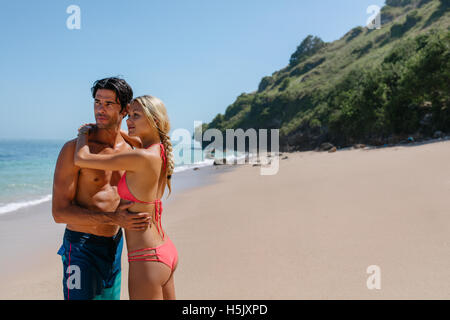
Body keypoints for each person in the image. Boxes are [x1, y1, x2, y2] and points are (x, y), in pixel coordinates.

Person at [52, 77, 152, 300]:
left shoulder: (133, 147)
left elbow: (161, 146)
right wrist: (114, 218)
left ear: (125, 109)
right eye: (97, 102)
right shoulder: (74, 150)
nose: (100, 109)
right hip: (81, 248)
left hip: (114, 246)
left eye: (109, 104)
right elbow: (59, 213)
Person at [74, 95, 178, 300]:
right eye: (129, 115)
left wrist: (83, 134)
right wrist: (114, 130)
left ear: (154, 121)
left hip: (146, 259)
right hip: (165, 251)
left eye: (136, 116)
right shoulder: (160, 151)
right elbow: (138, 141)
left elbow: (82, 158)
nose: (129, 121)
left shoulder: (140, 157)